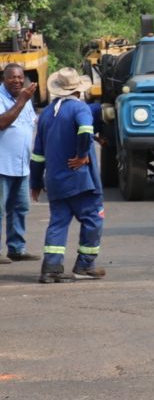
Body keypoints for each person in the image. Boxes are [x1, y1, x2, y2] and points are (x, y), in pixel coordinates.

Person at [30, 68, 105, 284]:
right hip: (81, 180)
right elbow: (85, 129)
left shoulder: (45, 114)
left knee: (58, 224)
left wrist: (35, 182)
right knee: (93, 219)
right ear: (78, 91)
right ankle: (85, 264)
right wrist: (82, 155)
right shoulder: (80, 108)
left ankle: (51, 269)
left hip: (55, 181)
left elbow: (37, 155)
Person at [0, 63, 40, 263]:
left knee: (20, 207)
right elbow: (2, 122)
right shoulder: (2, 98)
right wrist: (23, 100)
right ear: (4, 79)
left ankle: (16, 248)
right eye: (12, 77)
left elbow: (31, 124)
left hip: (22, 165)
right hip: (2, 165)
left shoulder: (26, 99)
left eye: (19, 77)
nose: (16, 81)